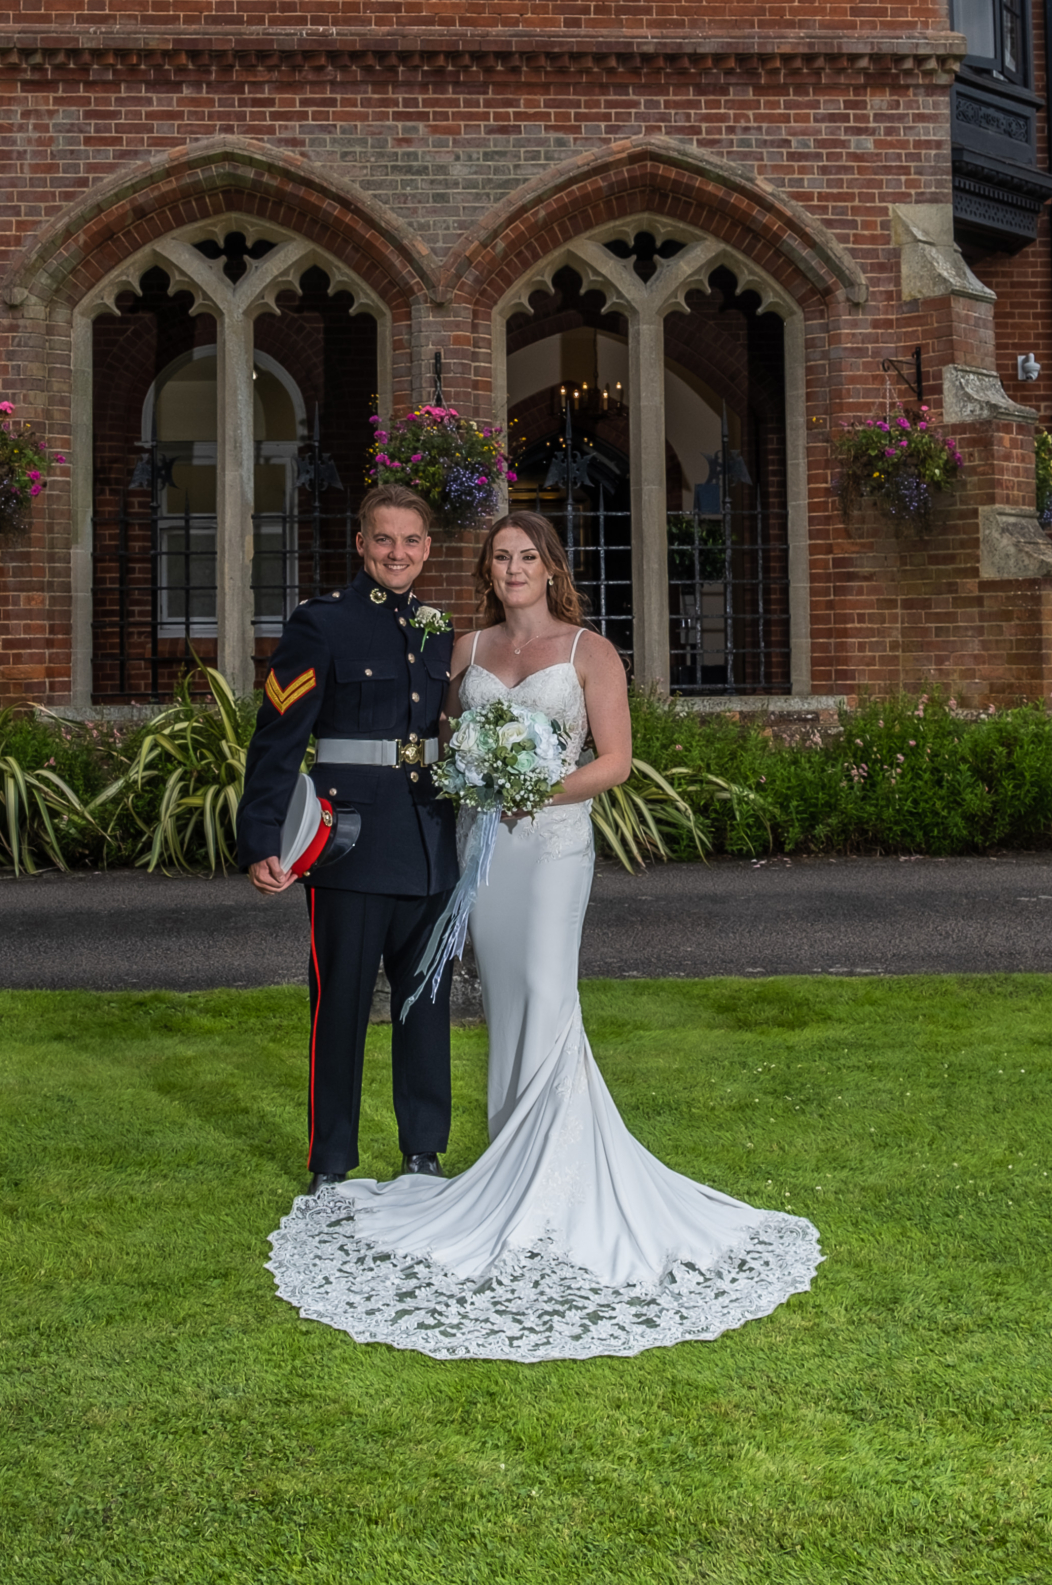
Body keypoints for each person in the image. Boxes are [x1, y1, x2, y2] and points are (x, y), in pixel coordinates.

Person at [267, 510, 822, 1360]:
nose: (513, 568)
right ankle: (500, 1162)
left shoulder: (588, 651)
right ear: (487, 571)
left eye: (527, 556)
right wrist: (472, 776)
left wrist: (537, 786)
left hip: (553, 844)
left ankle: (548, 1174)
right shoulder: (460, 649)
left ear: (550, 567)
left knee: (547, 992)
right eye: (500, 558)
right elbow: (432, 736)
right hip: (478, 849)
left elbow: (613, 761)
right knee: (496, 996)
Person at [236, 485, 457, 1192]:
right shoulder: (320, 625)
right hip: (350, 844)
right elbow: (277, 738)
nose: (398, 553)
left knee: (425, 1003)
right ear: (360, 544)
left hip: (428, 841)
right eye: (384, 540)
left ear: (427, 549)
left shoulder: (436, 628)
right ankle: (331, 1161)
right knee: (340, 1008)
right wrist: (261, 836)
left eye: (412, 541)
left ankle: (423, 1152)